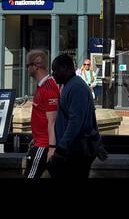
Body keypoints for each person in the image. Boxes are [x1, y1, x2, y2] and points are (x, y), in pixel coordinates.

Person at [49, 53, 102, 179]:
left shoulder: (76, 87)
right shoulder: (70, 85)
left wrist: (61, 148)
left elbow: (75, 122)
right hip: (72, 151)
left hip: (75, 153)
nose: (53, 74)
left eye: (55, 70)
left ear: (66, 68)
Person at [24, 49, 59, 178]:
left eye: (28, 65)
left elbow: (52, 121)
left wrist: (51, 148)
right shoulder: (41, 86)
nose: (27, 69)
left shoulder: (48, 88)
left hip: (44, 146)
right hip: (40, 142)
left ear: (35, 66)